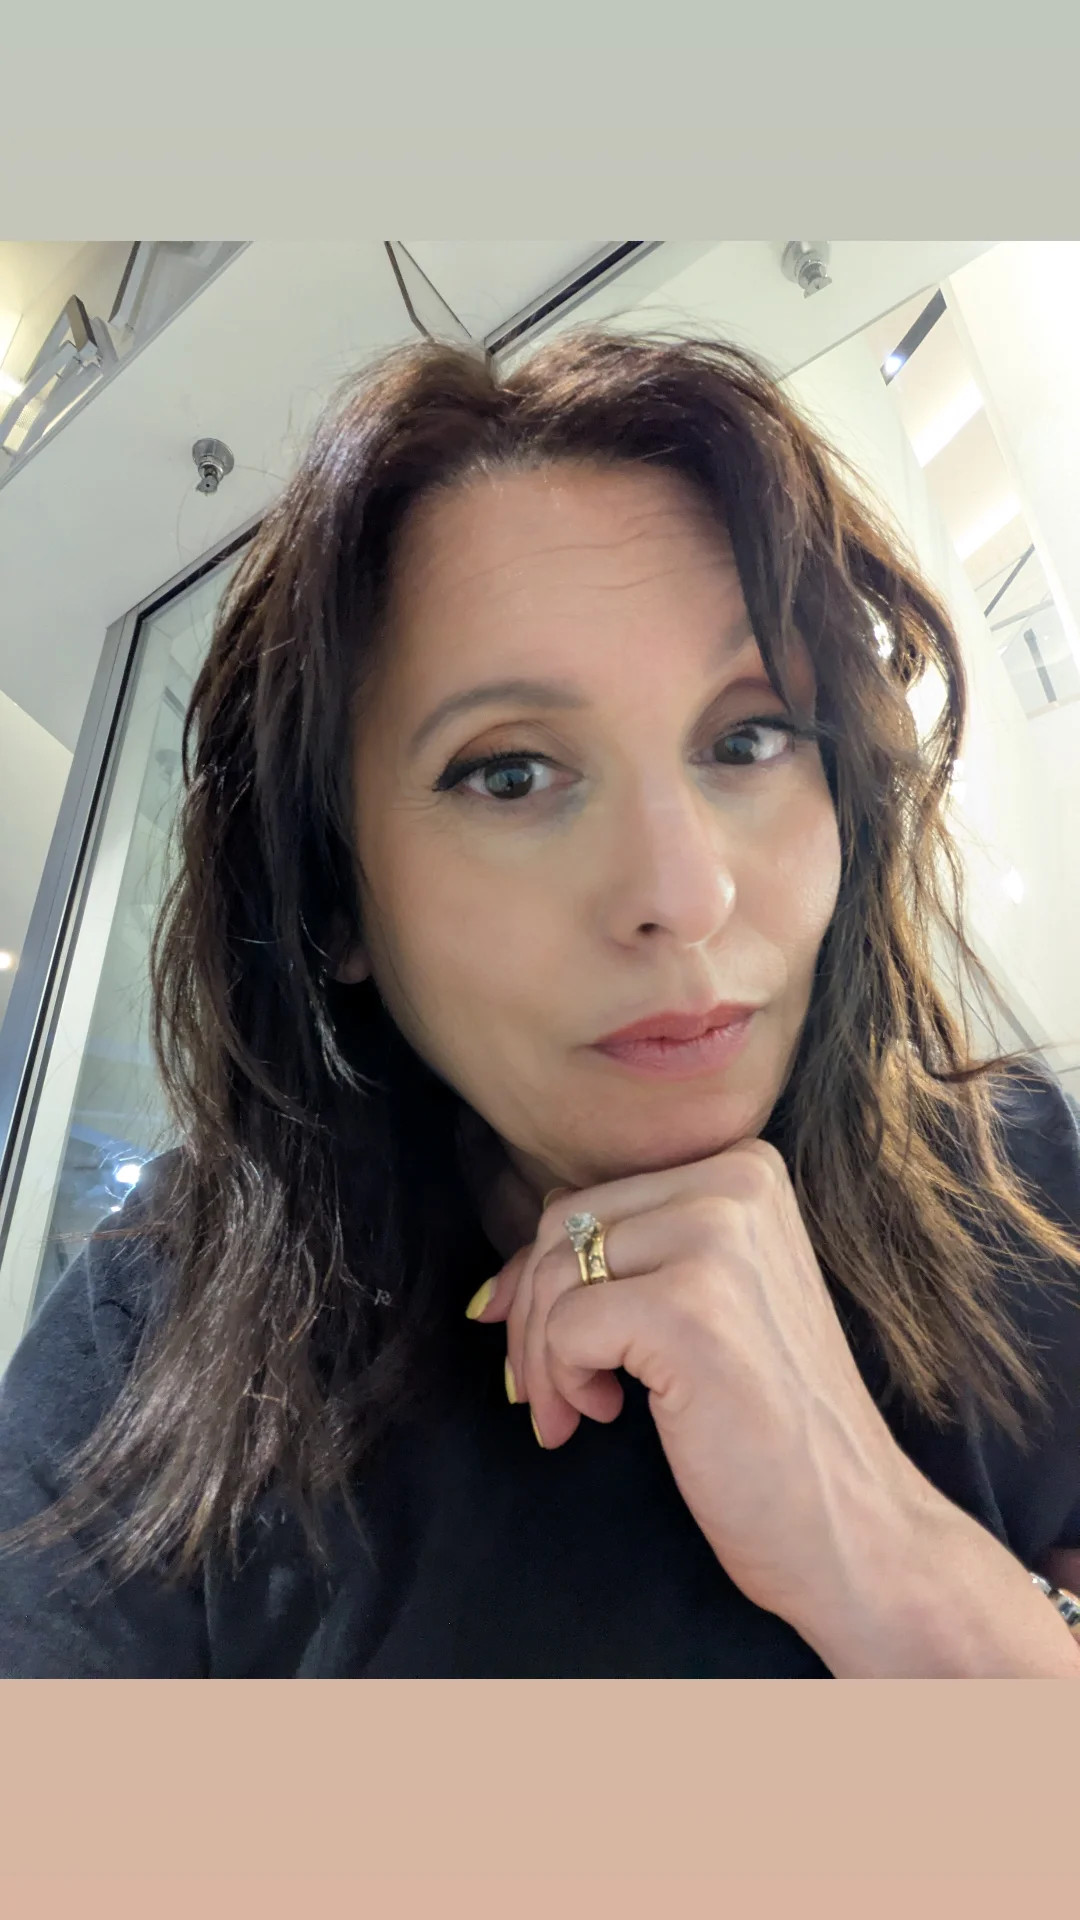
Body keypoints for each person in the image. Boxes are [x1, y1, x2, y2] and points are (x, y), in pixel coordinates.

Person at [2, 328, 1079, 1679]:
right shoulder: (158, 1344)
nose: (685, 894)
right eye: (510, 774)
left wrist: (898, 1565)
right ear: (336, 902)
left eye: (748, 738)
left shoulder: (1021, 1187)